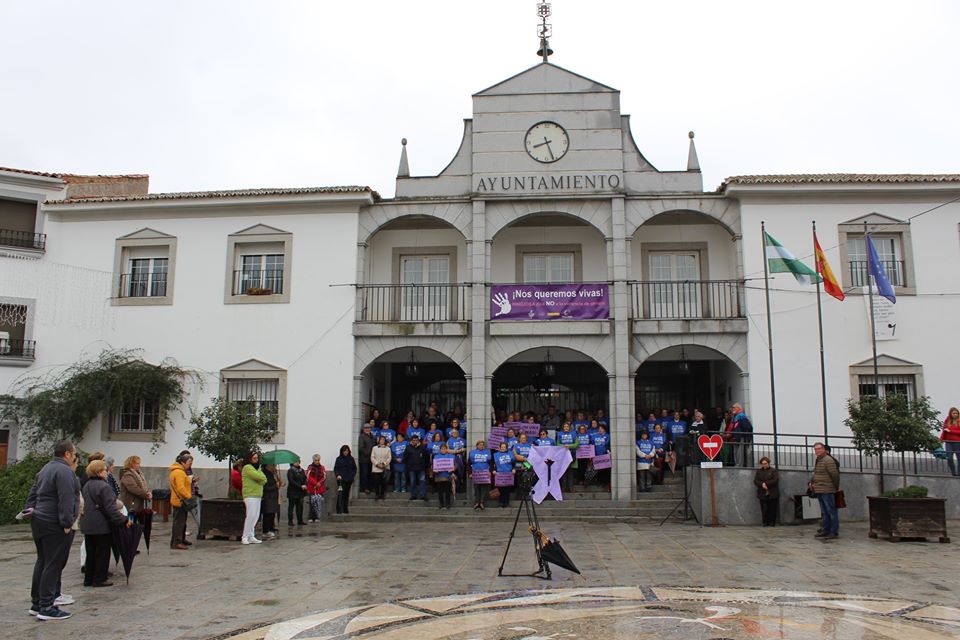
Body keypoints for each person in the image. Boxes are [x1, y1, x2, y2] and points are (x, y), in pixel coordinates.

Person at [24, 440, 80, 620]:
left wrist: (29, 510)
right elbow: (66, 498)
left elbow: (33, 494)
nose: (75, 457)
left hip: (40, 519)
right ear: (67, 454)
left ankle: (37, 602)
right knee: (53, 563)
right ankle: (47, 606)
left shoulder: (46, 468)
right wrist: (66, 522)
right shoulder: (64, 471)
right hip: (54, 522)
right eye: (74, 454)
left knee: (42, 560)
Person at [80, 459, 130, 587]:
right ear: (99, 472)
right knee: (102, 552)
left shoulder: (87, 485)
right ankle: (99, 579)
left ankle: (89, 578)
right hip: (101, 524)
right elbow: (111, 508)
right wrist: (123, 520)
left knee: (91, 553)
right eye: (104, 470)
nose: (106, 472)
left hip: (88, 523)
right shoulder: (104, 487)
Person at [810, 442, 840, 540]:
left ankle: (833, 531)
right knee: (824, 512)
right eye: (815, 449)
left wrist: (835, 487)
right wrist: (812, 482)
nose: (817, 451)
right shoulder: (818, 460)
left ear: (823, 449)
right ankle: (826, 530)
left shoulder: (828, 460)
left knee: (831, 511)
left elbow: (835, 475)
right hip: (819, 489)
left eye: (819, 449)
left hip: (827, 489)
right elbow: (816, 473)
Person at [241, 452, 267, 544]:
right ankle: (245, 536)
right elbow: (259, 477)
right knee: (250, 515)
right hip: (250, 494)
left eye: (257, 458)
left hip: (257, 494)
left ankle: (251, 535)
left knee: (255, 516)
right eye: (254, 458)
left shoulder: (257, 469)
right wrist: (260, 476)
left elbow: (264, 479)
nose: (256, 460)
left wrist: (260, 476)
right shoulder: (248, 467)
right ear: (249, 459)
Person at [169, 453, 193, 550]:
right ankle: (176, 542)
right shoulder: (179, 472)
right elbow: (181, 488)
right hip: (180, 501)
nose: (190, 465)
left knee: (182, 522)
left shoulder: (180, 471)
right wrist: (189, 497)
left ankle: (181, 539)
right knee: (179, 522)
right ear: (182, 462)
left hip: (179, 500)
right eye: (189, 462)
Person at [753, 456, 780, 527]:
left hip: (772, 492)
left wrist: (766, 484)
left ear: (768, 463)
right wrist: (762, 484)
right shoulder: (759, 471)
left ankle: (772, 522)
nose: (764, 465)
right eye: (762, 464)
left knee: (773, 508)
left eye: (765, 463)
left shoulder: (773, 471)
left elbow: (775, 480)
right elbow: (756, 481)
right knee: (764, 508)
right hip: (762, 492)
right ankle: (765, 522)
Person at [403, 435, 429, 501]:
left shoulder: (422, 447)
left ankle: (422, 495)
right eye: (414, 440)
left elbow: (426, 457)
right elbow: (405, 457)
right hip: (411, 468)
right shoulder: (408, 447)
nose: (415, 442)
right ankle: (413, 495)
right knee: (412, 482)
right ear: (411, 441)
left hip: (421, 467)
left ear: (418, 440)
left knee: (422, 481)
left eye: (416, 440)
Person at [468, 440, 492, 511]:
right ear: (477, 445)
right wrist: (470, 473)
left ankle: (481, 502)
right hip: (475, 474)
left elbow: (491, 463)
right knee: (476, 488)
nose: (481, 446)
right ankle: (476, 502)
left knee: (483, 489)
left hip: (485, 474)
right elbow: (469, 464)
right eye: (480, 445)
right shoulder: (472, 453)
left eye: (482, 445)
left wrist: (490, 471)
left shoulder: (487, 453)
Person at [334, 445, 357, 514]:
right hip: (341, 479)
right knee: (340, 494)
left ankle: (345, 509)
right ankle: (338, 509)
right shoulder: (338, 459)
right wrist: (338, 475)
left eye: (347, 451)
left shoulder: (351, 459)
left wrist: (352, 476)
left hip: (349, 479)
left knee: (346, 495)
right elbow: (336, 468)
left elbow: (354, 468)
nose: (345, 452)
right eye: (344, 451)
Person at [730, 403, 754, 468]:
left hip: (740, 437)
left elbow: (748, 427)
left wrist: (743, 434)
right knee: (736, 452)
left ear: (738, 408)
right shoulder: (735, 416)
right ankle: (737, 464)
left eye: (734, 407)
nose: (732, 409)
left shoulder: (741, 416)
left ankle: (739, 465)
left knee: (739, 453)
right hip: (736, 437)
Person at [260, 463, 281, 538]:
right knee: (267, 514)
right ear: (268, 466)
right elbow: (265, 487)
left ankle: (270, 529)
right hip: (268, 497)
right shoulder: (264, 474)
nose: (274, 467)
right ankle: (266, 530)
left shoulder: (273, 474)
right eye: (273, 465)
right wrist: (275, 486)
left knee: (272, 514)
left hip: (273, 497)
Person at [492, 442, 516, 508]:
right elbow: (493, 464)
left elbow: (514, 463)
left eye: (504, 447)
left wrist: (514, 469)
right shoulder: (496, 455)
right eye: (502, 447)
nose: (503, 448)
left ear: (506, 448)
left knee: (507, 489)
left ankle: (506, 503)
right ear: (499, 447)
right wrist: (493, 470)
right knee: (500, 489)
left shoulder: (510, 454)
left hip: (508, 474)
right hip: (499, 474)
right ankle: (500, 503)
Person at [432, 443, 455, 510]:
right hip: (439, 476)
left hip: (447, 476)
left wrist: (453, 469)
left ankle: (448, 503)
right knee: (440, 491)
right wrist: (434, 470)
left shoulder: (451, 456)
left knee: (447, 491)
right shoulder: (436, 456)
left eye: (445, 448)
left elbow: (455, 465)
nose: (443, 450)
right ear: (440, 450)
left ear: (446, 449)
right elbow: (433, 466)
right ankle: (441, 503)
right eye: (442, 449)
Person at [557, 422, 578, 492]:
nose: (566, 428)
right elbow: (557, 444)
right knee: (563, 471)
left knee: (570, 471)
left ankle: (570, 487)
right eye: (564, 426)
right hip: (562, 455)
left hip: (571, 454)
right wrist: (563, 446)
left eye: (567, 426)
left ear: (569, 427)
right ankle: (564, 487)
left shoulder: (574, 434)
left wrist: (569, 446)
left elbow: (577, 444)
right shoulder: (559, 434)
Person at [370, 435, 392, 501]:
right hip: (376, 468)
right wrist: (377, 464)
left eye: (383, 440)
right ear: (378, 440)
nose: (382, 441)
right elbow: (372, 457)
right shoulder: (374, 448)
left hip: (385, 468)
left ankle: (382, 494)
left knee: (384, 483)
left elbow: (389, 458)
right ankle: (377, 494)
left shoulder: (388, 449)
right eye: (381, 439)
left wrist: (384, 464)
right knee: (376, 482)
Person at [940, 407, 960, 476]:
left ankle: (959, 473)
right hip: (948, 442)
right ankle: (953, 473)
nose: (955, 415)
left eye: (957, 413)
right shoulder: (947, 420)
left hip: (958, 442)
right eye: (954, 413)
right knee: (949, 458)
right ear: (950, 414)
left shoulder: (959, 421)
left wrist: (951, 431)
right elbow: (944, 430)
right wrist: (941, 439)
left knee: (959, 458)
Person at [287, 460, 308, 526]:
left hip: (301, 491)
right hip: (293, 491)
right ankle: (290, 521)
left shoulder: (301, 470)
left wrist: (304, 484)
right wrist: (300, 486)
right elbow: (291, 481)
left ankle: (300, 520)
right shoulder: (290, 471)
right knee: (291, 506)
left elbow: (305, 478)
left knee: (300, 507)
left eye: (298, 461)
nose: (297, 463)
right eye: (295, 462)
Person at [357, 422, 375, 494]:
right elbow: (361, 448)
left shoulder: (373, 436)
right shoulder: (361, 436)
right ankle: (364, 488)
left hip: (372, 459)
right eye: (366, 428)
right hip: (364, 459)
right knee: (364, 474)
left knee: (370, 474)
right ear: (363, 429)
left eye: (369, 428)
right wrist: (368, 453)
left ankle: (370, 487)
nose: (367, 429)